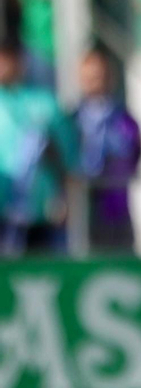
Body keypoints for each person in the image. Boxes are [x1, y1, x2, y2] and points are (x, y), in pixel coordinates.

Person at [0, 38, 76, 256]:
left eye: (8, 59)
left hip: (41, 210)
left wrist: (64, 198)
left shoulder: (46, 104)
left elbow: (67, 156)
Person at [73, 46, 141, 252]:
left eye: (100, 76)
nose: (96, 82)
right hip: (82, 205)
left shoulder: (122, 119)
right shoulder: (73, 119)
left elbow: (135, 153)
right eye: (90, 77)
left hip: (115, 205)